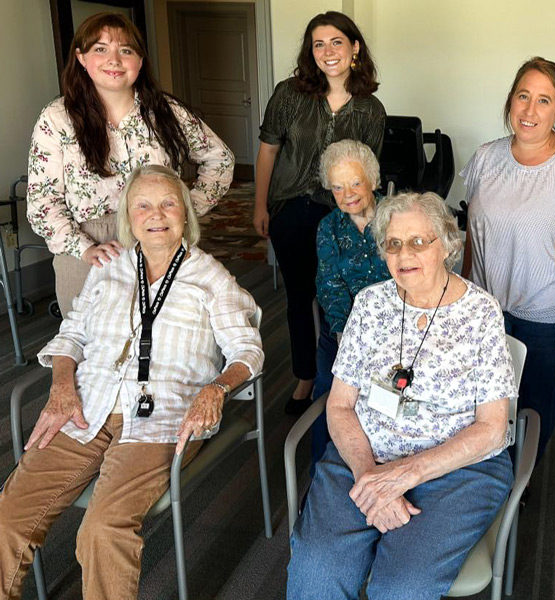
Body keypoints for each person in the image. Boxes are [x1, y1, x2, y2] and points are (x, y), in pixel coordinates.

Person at [0, 165, 263, 600]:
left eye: (168, 203)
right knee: (9, 515)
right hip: (85, 405)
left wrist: (215, 389)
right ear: (128, 215)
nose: (155, 214)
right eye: (143, 204)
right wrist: (62, 386)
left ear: (185, 214)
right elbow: (72, 335)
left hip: (163, 419)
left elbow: (247, 351)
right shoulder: (109, 267)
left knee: (103, 529)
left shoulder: (210, 277)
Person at [286, 192, 516, 599]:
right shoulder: (370, 304)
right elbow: (339, 405)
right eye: (393, 243)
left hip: (456, 470)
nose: (403, 254)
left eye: (418, 242)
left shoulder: (481, 313)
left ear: (446, 244)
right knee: (317, 568)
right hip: (363, 456)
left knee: (401, 586)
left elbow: (493, 428)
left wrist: (404, 476)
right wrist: (369, 475)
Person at [26, 12, 233, 316]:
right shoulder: (57, 119)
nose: (114, 59)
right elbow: (42, 201)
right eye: (100, 49)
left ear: (139, 60)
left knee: (171, 340)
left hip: (160, 239)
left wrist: (186, 211)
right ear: (81, 58)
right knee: (89, 349)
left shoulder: (165, 112)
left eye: (126, 50)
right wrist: (83, 248)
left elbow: (220, 160)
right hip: (89, 248)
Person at [460, 56, 555, 459]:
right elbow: (474, 233)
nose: (530, 110)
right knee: (484, 402)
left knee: (532, 406)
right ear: (510, 100)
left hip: (545, 314)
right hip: (486, 308)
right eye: (523, 96)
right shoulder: (486, 158)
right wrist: (462, 296)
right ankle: (485, 474)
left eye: (544, 101)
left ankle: (521, 482)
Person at [252, 11, 386, 414]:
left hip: (340, 214)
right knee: (299, 296)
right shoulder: (289, 94)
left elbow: (367, 172)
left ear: (354, 47)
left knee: (343, 296)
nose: (328, 52)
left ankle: (344, 376)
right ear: (311, 52)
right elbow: (268, 150)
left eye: (337, 42)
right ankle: (305, 376)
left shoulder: (370, 109)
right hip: (291, 207)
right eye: (318, 44)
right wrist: (260, 204)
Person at [311, 139, 391, 463]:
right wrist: (347, 335)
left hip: (394, 332)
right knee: (328, 397)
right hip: (344, 333)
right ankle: (321, 473)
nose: (348, 194)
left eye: (356, 183)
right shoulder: (328, 228)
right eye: (338, 187)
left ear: (372, 179)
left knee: (393, 402)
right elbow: (329, 284)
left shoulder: (398, 216)